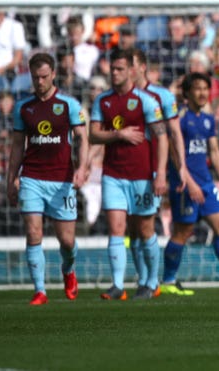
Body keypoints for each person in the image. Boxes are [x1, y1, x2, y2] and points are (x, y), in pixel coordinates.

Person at [161, 72, 219, 294]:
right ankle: (168, 281)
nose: (203, 93)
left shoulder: (207, 118)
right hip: (185, 184)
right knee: (183, 232)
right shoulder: (180, 118)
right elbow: (175, 153)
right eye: (197, 89)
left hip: (206, 183)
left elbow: (214, 150)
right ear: (187, 92)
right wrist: (190, 182)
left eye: (205, 88)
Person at [7, 52, 89, 305]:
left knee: (67, 240)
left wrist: (82, 168)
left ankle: (68, 269)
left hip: (62, 179)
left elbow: (83, 138)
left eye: (44, 77)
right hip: (32, 177)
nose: (40, 82)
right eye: (35, 77)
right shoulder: (24, 108)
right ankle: (40, 290)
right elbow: (18, 144)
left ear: (53, 74)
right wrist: (12, 177)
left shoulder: (69, 105)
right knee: (33, 233)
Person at [90, 48, 169, 300]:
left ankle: (151, 282)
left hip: (142, 175)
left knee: (145, 229)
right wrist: (118, 134)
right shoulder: (102, 101)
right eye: (112, 68)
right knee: (116, 228)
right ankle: (117, 285)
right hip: (112, 174)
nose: (115, 73)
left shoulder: (146, 100)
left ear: (132, 71)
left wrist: (161, 174)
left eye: (120, 69)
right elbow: (93, 134)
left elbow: (162, 137)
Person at [131, 48, 187, 295]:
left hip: (155, 169)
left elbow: (175, 133)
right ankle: (144, 279)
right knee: (131, 226)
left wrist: (181, 167)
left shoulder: (162, 95)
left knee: (146, 223)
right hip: (126, 169)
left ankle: (151, 281)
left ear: (142, 67)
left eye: (129, 65)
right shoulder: (118, 98)